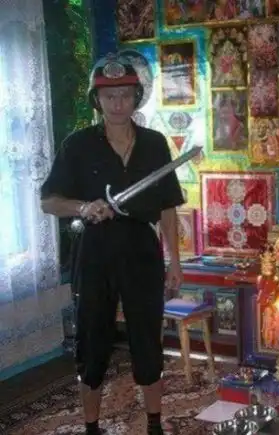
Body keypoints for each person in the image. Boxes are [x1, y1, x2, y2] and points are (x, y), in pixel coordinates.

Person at [40, 53, 185, 435]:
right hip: (95, 251)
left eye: (124, 95)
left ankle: (154, 424)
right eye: (109, 96)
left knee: (147, 337)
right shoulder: (78, 145)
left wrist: (174, 261)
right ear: (97, 100)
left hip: (141, 249)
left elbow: (168, 207)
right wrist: (83, 207)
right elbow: (49, 201)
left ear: (136, 96)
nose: (118, 104)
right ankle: (91, 427)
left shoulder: (154, 144)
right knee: (92, 338)